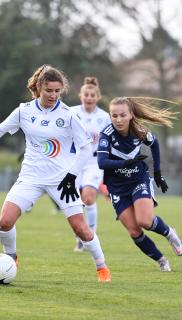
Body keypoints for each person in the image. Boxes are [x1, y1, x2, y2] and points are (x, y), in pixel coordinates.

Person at [0, 65, 111, 282]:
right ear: (39, 88)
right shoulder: (24, 111)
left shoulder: (68, 115)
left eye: (57, 91)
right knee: (5, 221)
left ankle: (102, 267)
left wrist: (72, 176)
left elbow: (85, 148)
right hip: (30, 178)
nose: (53, 95)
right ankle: (11, 258)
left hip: (62, 180)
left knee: (81, 230)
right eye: (49, 91)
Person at [96, 96, 182, 272]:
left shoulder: (139, 130)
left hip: (138, 179)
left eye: (122, 115)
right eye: (114, 116)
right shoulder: (106, 134)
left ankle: (169, 234)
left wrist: (157, 174)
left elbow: (155, 143)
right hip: (117, 187)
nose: (118, 120)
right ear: (110, 116)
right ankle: (161, 260)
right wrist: (125, 163)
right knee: (134, 231)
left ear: (130, 115)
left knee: (144, 220)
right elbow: (102, 162)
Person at [70, 77, 111, 252]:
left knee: (88, 198)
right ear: (80, 96)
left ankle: (90, 237)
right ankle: (80, 236)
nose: (89, 97)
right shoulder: (71, 112)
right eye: (86, 94)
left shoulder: (104, 117)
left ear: (98, 97)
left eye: (92, 95)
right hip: (74, 162)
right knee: (74, 202)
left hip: (94, 163)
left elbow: (111, 141)